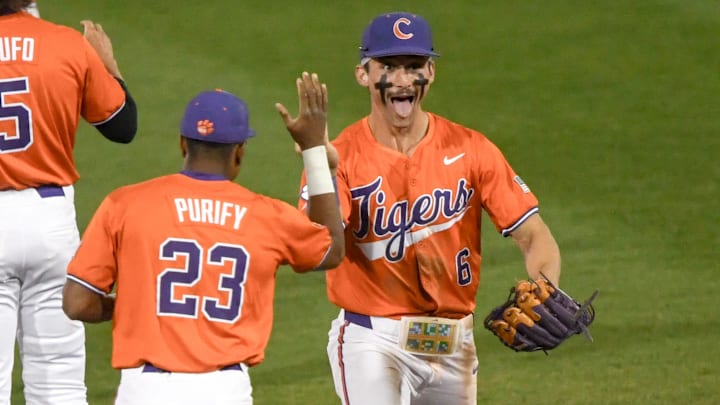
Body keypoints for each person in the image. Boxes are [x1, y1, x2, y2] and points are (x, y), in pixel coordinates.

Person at [297, 11, 563, 405]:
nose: (402, 80)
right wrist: (318, 165)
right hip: (373, 341)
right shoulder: (342, 156)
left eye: (414, 66)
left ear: (431, 72)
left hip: (454, 344)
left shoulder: (472, 149)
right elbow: (318, 249)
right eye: (388, 66)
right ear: (363, 74)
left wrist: (546, 288)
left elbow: (534, 235)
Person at [62, 73, 344, 404]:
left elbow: (77, 302)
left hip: (145, 390)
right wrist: (313, 150)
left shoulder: (125, 204)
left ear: (183, 144)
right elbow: (332, 250)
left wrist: (130, 306)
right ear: (239, 152)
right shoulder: (267, 216)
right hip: (223, 390)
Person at [0, 1, 137, 403]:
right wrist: (110, 68)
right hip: (50, 223)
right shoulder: (67, 44)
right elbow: (122, 127)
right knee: (59, 382)